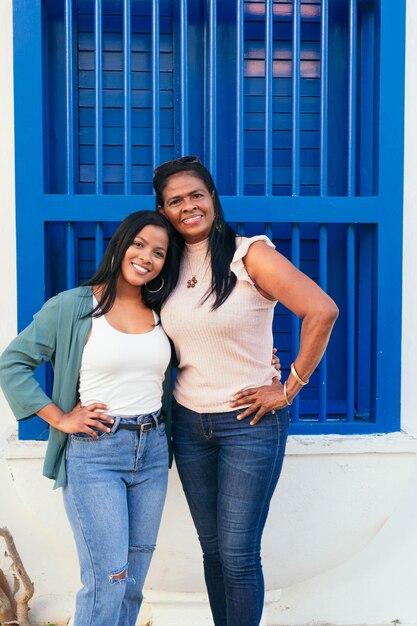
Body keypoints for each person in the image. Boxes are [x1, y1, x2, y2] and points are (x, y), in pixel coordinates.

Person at [153, 156, 339, 626]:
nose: (188, 206)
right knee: (212, 551)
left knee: (237, 552)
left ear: (213, 198)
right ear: (163, 210)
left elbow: (321, 311)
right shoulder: (163, 264)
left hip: (250, 425)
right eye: (175, 201)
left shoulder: (248, 254)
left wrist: (288, 386)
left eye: (197, 194)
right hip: (190, 423)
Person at [0, 211, 182, 626]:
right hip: (96, 453)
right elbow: (12, 363)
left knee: (132, 582)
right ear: (120, 245)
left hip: (152, 452)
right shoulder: (75, 306)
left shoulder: (164, 313)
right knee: (107, 579)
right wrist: (59, 418)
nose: (146, 257)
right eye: (139, 245)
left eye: (159, 252)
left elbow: (202, 357)